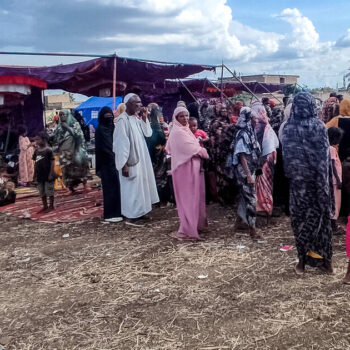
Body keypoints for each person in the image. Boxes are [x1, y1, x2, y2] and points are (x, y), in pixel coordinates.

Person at [282, 92, 334, 275]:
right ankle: (326, 263)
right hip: (316, 183)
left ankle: (302, 263)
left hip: (297, 185)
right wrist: (324, 189)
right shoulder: (318, 126)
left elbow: (286, 160)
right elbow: (323, 160)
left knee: (300, 222)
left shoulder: (287, 128)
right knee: (322, 222)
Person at [113, 93, 159, 224]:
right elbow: (120, 144)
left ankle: (141, 211)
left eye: (140, 102)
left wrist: (145, 118)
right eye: (136, 103)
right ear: (127, 104)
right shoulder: (123, 120)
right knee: (132, 187)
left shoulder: (135, 119)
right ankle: (132, 215)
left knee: (141, 186)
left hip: (141, 159)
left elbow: (148, 133)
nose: (139, 105)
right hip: (130, 161)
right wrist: (124, 164)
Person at [166, 106, 209, 240]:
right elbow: (194, 148)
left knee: (195, 196)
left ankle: (196, 224)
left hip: (192, 169)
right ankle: (188, 228)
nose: (184, 119)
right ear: (176, 118)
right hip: (184, 170)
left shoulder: (185, 130)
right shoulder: (178, 132)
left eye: (186, 116)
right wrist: (204, 152)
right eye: (181, 116)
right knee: (188, 198)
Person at [230, 107, 262, 240]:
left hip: (250, 170)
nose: (257, 120)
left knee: (245, 198)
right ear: (249, 119)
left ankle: (239, 223)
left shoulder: (250, 132)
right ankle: (253, 230)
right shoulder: (243, 134)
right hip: (245, 172)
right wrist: (249, 175)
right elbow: (242, 155)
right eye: (254, 118)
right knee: (252, 200)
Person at [251, 102, 279, 223]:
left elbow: (268, 147)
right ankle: (263, 209)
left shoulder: (263, 127)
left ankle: (264, 210)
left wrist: (260, 163)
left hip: (263, 161)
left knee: (263, 186)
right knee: (262, 186)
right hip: (264, 160)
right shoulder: (262, 126)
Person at [95, 106, 123, 223]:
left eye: (110, 116)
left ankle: (119, 211)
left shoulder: (114, 128)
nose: (109, 118)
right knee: (109, 189)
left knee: (117, 188)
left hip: (116, 162)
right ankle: (110, 214)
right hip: (106, 164)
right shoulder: (100, 130)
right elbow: (104, 148)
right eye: (106, 116)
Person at [54, 109, 90, 193]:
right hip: (65, 152)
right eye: (61, 115)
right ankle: (69, 188)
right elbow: (56, 139)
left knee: (81, 167)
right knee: (67, 170)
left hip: (76, 150)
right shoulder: (59, 127)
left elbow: (79, 136)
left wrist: (67, 128)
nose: (62, 116)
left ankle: (85, 185)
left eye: (64, 115)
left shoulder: (74, 124)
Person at [208, 103, 236, 204]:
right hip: (219, 153)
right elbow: (217, 139)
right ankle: (223, 199)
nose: (224, 111)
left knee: (229, 175)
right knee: (222, 175)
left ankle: (229, 197)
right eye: (221, 109)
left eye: (225, 109)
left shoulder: (228, 120)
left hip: (228, 152)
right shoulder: (215, 123)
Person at [145, 106, 171, 203]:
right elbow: (164, 139)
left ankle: (156, 197)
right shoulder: (159, 126)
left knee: (155, 174)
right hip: (158, 152)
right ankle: (159, 197)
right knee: (159, 174)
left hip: (153, 153)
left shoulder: (150, 125)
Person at [33, 132, 56, 213]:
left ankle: (51, 206)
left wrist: (51, 173)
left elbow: (53, 163)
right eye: (35, 139)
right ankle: (45, 206)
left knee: (49, 190)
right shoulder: (36, 151)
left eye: (38, 139)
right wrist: (34, 175)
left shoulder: (49, 150)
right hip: (40, 175)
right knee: (41, 191)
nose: (36, 141)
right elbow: (35, 163)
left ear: (44, 139)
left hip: (48, 174)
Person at [328, 127, 344, 234]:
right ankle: (333, 227)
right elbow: (332, 165)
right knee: (336, 203)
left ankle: (332, 225)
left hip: (332, 181)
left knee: (332, 203)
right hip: (335, 181)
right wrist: (338, 180)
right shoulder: (331, 149)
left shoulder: (327, 148)